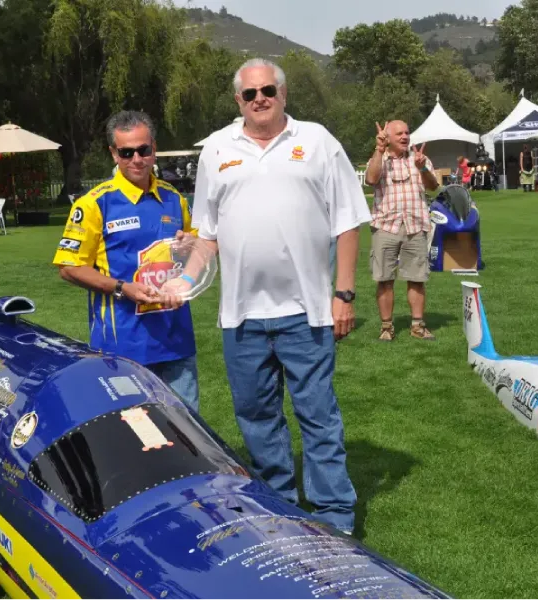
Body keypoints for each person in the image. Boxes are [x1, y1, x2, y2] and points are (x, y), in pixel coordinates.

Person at [165, 57, 370, 535]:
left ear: (283, 94)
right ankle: (278, 510)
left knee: (317, 416)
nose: (260, 99)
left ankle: (333, 516)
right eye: (250, 93)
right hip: (241, 316)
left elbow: (347, 222)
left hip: (308, 311)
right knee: (257, 421)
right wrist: (185, 279)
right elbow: (207, 235)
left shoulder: (317, 141)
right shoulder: (217, 149)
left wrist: (344, 293)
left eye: (268, 91)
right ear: (238, 100)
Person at [51, 110, 200, 412]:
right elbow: (68, 267)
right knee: (135, 440)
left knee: (188, 438)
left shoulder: (175, 198)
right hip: (123, 347)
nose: (137, 159)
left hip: (176, 340)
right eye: (127, 152)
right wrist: (122, 288)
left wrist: (190, 246)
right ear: (113, 154)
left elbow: (197, 248)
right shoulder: (94, 203)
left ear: (153, 149)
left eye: (143, 150)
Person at [364, 120, 439, 342]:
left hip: (415, 225)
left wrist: (422, 167)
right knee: (384, 278)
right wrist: (379, 150)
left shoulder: (419, 159)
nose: (405, 137)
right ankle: (387, 327)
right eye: (399, 134)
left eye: (407, 132)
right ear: (387, 137)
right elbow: (370, 179)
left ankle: (417, 325)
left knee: (417, 279)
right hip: (386, 225)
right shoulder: (380, 159)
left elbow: (433, 186)